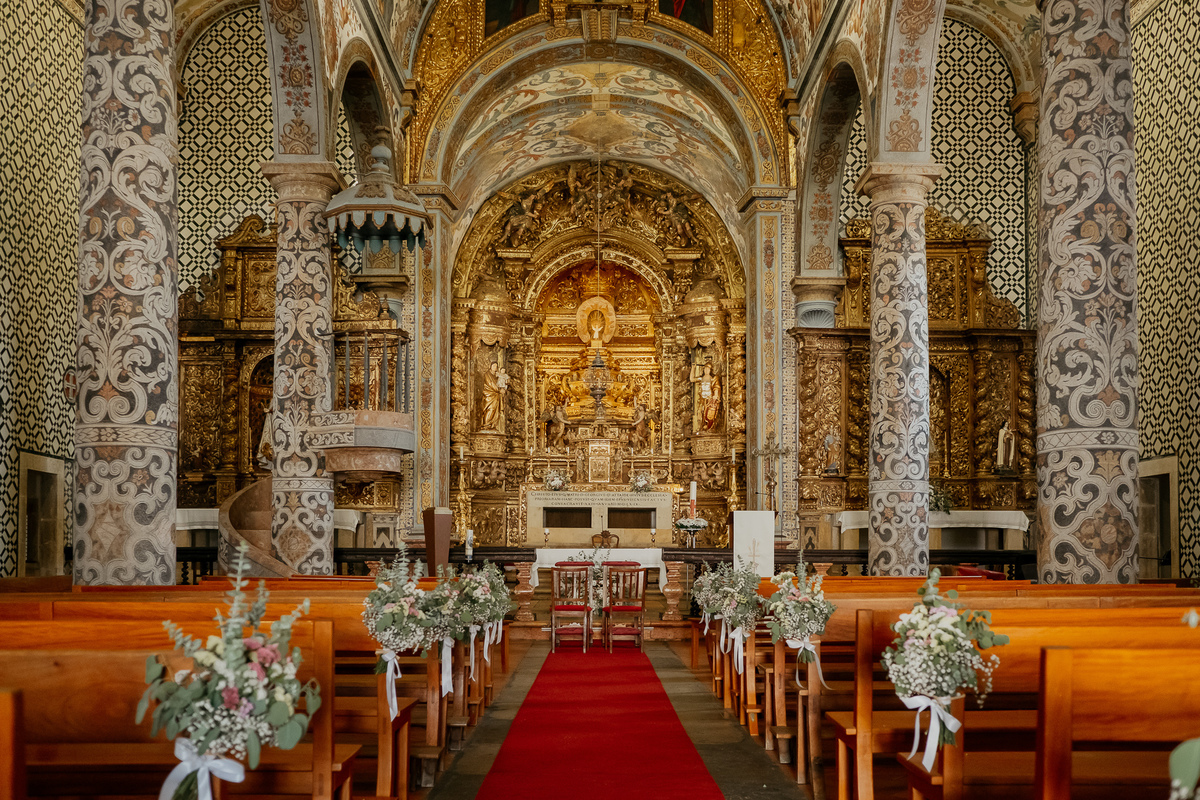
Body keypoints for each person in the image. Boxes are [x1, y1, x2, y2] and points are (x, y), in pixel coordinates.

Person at [690, 360, 722, 431]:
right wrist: (693, 368)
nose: (706, 370)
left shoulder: (714, 378)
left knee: (709, 415)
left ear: (711, 370)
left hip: (710, 400)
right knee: (701, 414)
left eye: (708, 369)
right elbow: (692, 379)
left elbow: (716, 387)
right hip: (702, 399)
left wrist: (715, 395)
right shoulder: (701, 378)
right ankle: (702, 427)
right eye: (705, 368)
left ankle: (709, 428)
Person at [480, 361, 506, 431]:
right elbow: (490, 384)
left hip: (496, 395)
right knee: (490, 409)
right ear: (490, 367)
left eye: (496, 366)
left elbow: (500, 383)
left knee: (495, 411)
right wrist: (499, 390)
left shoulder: (496, 376)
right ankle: (486, 425)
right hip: (489, 395)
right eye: (494, 366)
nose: (495, 367)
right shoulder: (487, 375)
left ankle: (492, 425)